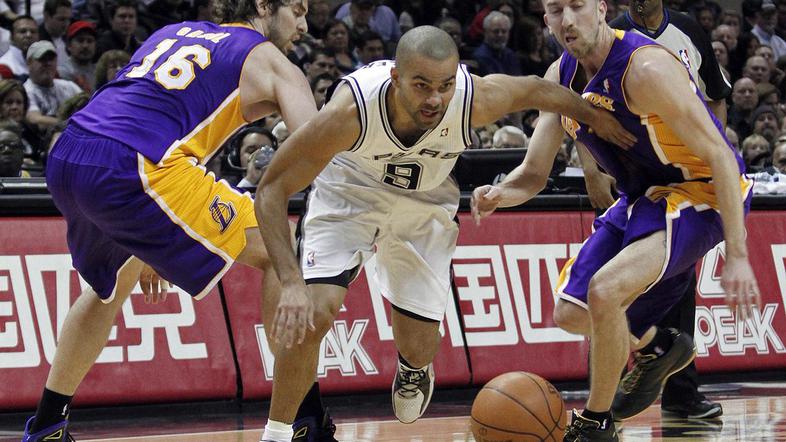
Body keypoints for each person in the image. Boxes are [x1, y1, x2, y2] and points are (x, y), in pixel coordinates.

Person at [255, 25, 633, 442]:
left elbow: (538, 91)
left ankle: (414, 368)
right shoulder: (350, 112)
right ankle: (276, 433)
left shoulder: (474, 97)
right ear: (396, 78)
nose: (435, 98)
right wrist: (290, 281)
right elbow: (270, 189)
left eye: (445, 85)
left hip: (426, 200)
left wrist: (595, 117)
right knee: (313, 312)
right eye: (421, 86)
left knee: (418, 344)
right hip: (350, 191)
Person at [21, 0, 317, 440]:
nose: (304, 25)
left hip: (71, 151)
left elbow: (140, 103)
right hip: (136, 168)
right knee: (279, 251)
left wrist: (150, 240)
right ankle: (300, 423)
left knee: (109, 288)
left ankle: (46, 425)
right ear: (263, 5)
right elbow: (315, 145)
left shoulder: (175, 31)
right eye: (298, 9)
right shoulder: (269, 58)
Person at [471, 0, 758, 440]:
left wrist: (738, 255)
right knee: (569, 312)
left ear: (602, 9)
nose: (566, 20)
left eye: (577, 6)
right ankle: (657, 345)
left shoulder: (645, 68)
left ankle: (596, 423)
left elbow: (721, 155)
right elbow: (532, 173)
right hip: (643, 197)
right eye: (554, 10)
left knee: (605, 292)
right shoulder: (560, 76)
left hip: (702, 191)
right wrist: (499, 192)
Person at [587, 0, 731, 420]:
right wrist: (592, 171)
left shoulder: (687, 30)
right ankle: (603, 399)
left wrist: (715, 154)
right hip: (633, 177)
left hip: (684, 176)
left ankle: (682, 396)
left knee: (681, 285)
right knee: (607, 287)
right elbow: (581, 106)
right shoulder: (609, 33)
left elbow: (716, 97)